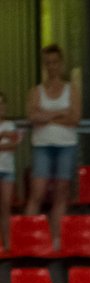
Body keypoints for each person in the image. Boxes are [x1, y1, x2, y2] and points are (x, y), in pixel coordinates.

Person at [26, 44, 80, 240]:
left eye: (55, 62)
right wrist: (59, 113)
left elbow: (74, 118)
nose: (52, 66)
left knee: (61, 193)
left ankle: (56, 238)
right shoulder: (36, 91)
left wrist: (46, 116)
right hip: (42, 145)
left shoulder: (70, 89)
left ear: (61, 64)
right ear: (44, 65)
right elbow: (32, 117)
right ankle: (28, 236)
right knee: (37, 193)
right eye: (48, 63)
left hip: (66, 145)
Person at [0, 90, 17, 249]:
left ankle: (7, 242)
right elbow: (10, 143)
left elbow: (14, 146)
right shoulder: (7, 129)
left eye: (1, 104)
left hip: (7, 170)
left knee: (6, 206)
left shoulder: (11, 125)